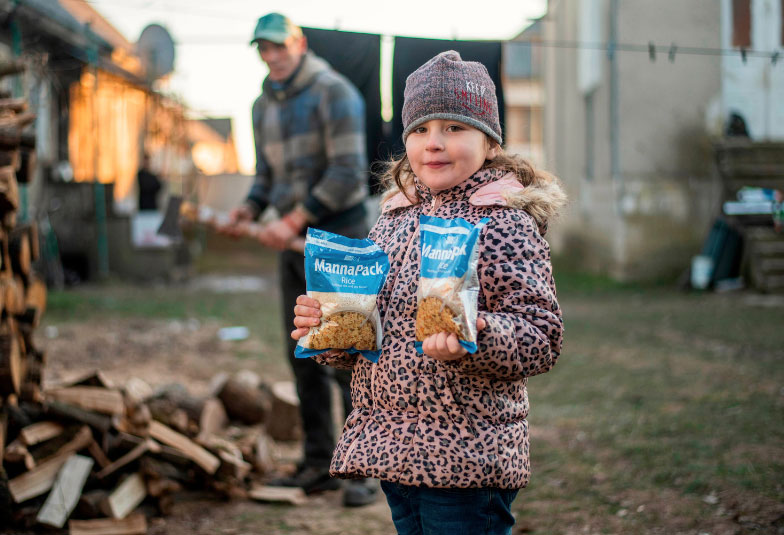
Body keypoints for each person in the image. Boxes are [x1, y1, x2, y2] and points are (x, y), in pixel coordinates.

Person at [290, 51, 567, 534]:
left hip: (468, 456)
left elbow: (541, 336)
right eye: (420, 130)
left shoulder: (505, 222)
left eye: (454, 128)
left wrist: (477, 335)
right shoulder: (391, 222)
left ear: (491, 143)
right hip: (394, 449)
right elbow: (373, 334)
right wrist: (329, 330)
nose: (433, 143)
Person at [222, 13, 377, 507]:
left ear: (299, 43)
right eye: (263, 50)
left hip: (338, 239)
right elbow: (265, 176)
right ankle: (318, 464)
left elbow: (350, 173)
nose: (271, 57)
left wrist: (293, 220)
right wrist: (248, 207)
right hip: (291, 245)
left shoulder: (334, 92)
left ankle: (364, 470)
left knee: (346, 355)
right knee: (305, 353)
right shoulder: (261, 105)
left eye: (278, 47)